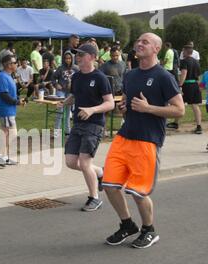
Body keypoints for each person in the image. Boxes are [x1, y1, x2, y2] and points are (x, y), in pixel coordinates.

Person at [102, 33, 184, 249]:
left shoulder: (164, 76)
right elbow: (128, 101)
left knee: (139, 192)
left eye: (145, 42)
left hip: (147, 141)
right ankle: (127, 225)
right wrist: (124, 107)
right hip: (124, 137)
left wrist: (149, 109)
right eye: (138, 41)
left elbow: (179, 110)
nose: (139, 44)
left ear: (156, 49)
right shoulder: (130, 74)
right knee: (109, 185)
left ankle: (149, 230)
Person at [58, 44, 114, 211]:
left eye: (81, 54)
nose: (77, 56)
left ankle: (94, 198)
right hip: (78, 124)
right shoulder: (76, 77)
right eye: (77, 54)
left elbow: (110, 103)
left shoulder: (100, 78)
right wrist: (64, 102)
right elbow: (75, 95)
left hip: (94, 125)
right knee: (70, 161)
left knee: (84, 163)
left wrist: (92, 110)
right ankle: (100, 173)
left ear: (92, 56)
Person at [0, 54, 25, 167]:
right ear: (9, 64)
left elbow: (10, 93)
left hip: (10, 110)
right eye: (15, 62)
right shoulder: (2, 77)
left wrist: (18, 100)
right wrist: (16, 102)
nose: (17, 64)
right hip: (5, 110)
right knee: (11, 133)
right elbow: (4, 95)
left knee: (6, 133)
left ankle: (4, 157)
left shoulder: (9, 76)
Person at [166, 45, 202, 134]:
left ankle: (176, 123)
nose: (182, 53)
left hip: (187, 85)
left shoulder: (184, 61)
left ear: (186, 51)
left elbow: (184, 73)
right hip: (195, 85)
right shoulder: (196, 62)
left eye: (183, 51)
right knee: (195, 105)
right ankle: (199, 126)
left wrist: (180, 85)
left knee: (179, 104)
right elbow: (198, 75)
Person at [52, 51, 79, 138]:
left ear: (72, 59)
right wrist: (56, 84)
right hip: (61, 92)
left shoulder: (76, 68)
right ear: (64, 59)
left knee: (68, 112)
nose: (68, 60)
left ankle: (67, 131)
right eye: (66, 58)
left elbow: (80, 79)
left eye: (69, 58)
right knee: (60, 111)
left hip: (71, 93)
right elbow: (53, 78)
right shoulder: (60, 68)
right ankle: (57, 132)